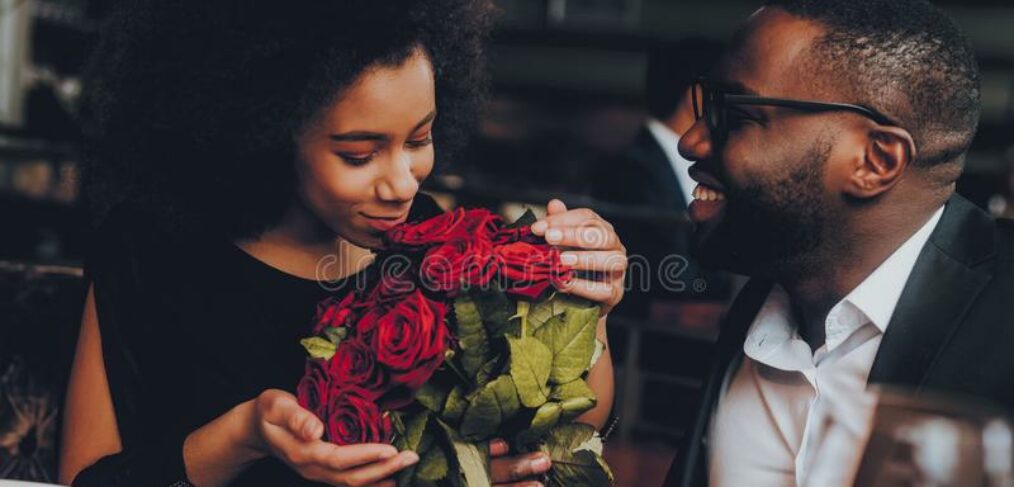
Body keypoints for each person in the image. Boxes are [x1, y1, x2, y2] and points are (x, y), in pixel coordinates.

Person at [58, 2, 627, 487]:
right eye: (358, 154)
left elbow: (576, 426)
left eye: (420, 138)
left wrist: (587, 305)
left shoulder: (432, 242)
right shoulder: (147, 250)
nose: (403, 183)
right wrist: (240, 438)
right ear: (264, 133)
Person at [661, 1, 1014, 486]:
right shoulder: (769, 289)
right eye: (707, 106)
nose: (691, 141)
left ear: (875, 160)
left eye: (735, 115)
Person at [591, 38, 731, 320]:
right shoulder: (632, 172)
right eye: (724, 92)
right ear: (698, 95)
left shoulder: (663, 164)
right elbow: (651, 278)